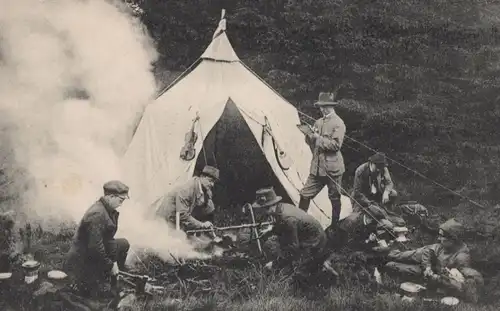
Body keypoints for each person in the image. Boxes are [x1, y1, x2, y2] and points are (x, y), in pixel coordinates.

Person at [385, 218, 483, 301]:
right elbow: (428, 251)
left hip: (431, 277)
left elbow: (462, 285)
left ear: (453, 239)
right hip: (427, 263)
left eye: (442, 236)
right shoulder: (441, 246)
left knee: (391, 265)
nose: (439, 239)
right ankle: (385, 253)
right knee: (402, 255)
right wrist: (427, 267)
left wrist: (437, 278)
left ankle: (387, 257)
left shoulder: (461, 257)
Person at [64, 180, 131, 298]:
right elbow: (95, 248)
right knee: (98, 295)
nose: (121, 204)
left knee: (124, 243)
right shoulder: (97, 214)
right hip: (82, 261)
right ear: (111, 197)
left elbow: (109, 239)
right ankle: (103, 279)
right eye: (121, 200)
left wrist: (114, 261)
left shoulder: (108, 210)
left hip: (92, 252)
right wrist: (110, 265)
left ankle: (113, 277)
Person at [298, 92, 346, 228]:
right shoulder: (318, 122)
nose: (322, 109)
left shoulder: (339, 123)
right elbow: (312, 144)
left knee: (335, 198)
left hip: (333, 169)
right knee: (305, 194)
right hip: (317, 169)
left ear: (330, 107)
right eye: (320, 106)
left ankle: (335, 227)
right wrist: (308, 135)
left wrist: (317, 138)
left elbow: (336, 145)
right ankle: (300, 225)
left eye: (324, 106)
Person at [254, 187, 327, 275]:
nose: (262, 212)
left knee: (298, 274)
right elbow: (281, 224)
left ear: (270, 207)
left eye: (263, 208)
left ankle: (322, 268)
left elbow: (293, 248)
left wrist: (274, 264)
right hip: (307, 236)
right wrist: (271, 230)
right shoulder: (281, 207)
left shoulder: (288, 219)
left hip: (315, 243)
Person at [156, 165, 219, 231]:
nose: (212, 184)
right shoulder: (187, 189)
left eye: (214, 182)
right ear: (202, 177)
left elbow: (208, 209)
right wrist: (202, 224)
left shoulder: (204, 188)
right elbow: (182, 215)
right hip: (165, 219)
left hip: (178, 219)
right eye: (210, 181)